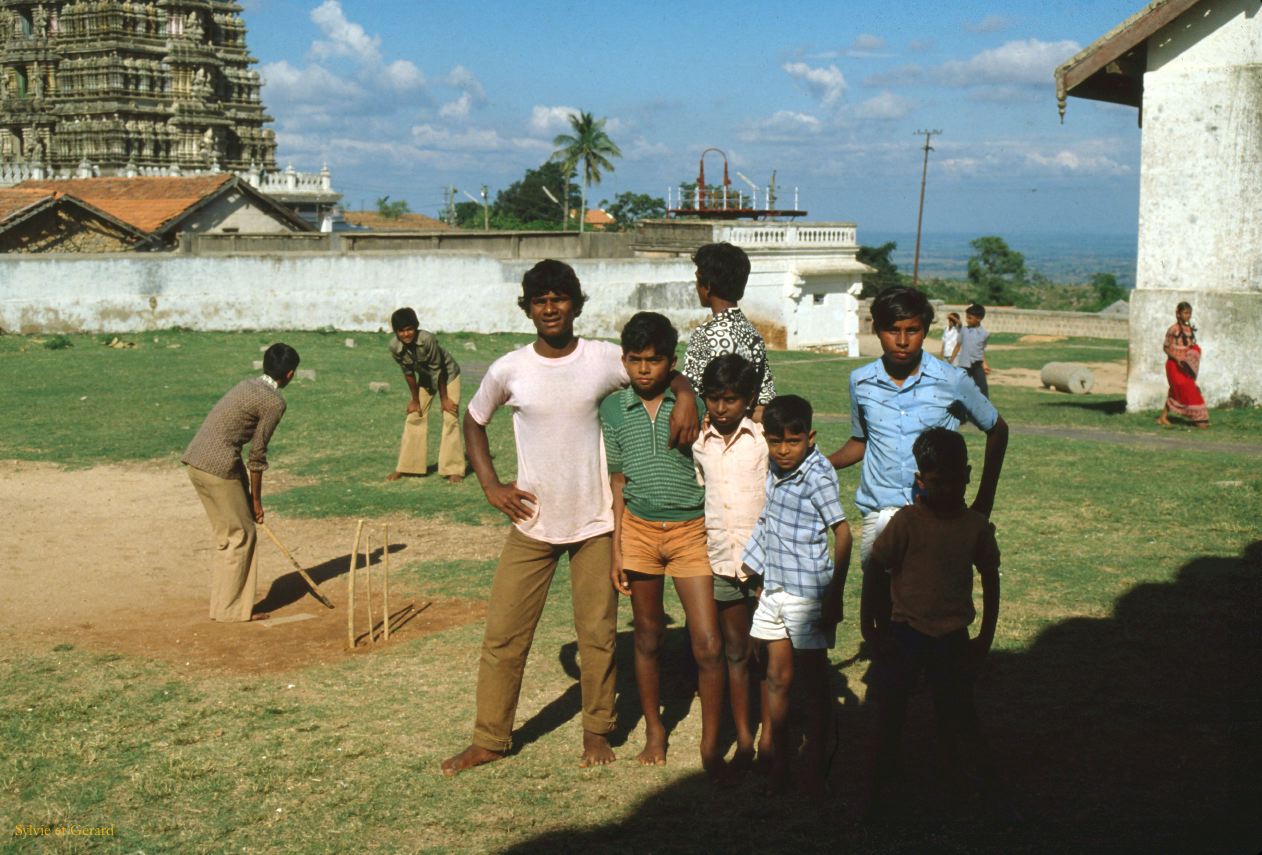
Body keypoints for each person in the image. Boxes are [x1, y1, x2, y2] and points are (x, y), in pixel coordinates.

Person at [442, 260, 700, 776]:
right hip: (532, 520)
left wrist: (688, 395)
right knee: (504, 634)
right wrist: (492, 485)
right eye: (540, 299)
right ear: (528, 309)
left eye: (560, 297)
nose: (551, 307)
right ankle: (490, 738)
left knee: (598, 634)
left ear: (576, 304)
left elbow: (664, 367)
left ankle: (596, 732)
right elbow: (473, 419)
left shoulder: (603, 358)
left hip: (596, 522)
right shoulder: (509, 368)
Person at [828, 287, 1006, 643]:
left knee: (934, 606)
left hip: (935, 517)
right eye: (893, 330)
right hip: (880, 514)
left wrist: (984, 500)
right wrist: (817, 463)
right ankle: (890, 668)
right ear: (876, 329)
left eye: (912, 330)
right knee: (882, 604)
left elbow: (996, 429)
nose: (903, 340)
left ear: (925, 330)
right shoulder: (861, 382)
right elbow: (860, 443)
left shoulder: (952, 380)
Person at [602, 312, 725, 775]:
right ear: (624, 361)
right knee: (648, 635)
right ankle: (655, 730)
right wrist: (617, 547)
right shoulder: (614, 409)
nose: (644, 370)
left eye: (654, 361)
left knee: (708, 643)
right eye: (635, 361)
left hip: (692, 530)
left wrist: (686, 391)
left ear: (671, 362)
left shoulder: (690, 404)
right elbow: (617, 480)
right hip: (637, 529)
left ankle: (713, 740)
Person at [861, 427, 1001, 818]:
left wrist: (984, 636)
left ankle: (956, 780)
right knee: (891, 711)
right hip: (905, 632)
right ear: (920, 480)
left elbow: (990, 578)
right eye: (936, 482)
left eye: (954, 482)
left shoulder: (974, 526)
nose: (945, 490)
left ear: (968, 476)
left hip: (952, 636)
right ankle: (879, 786)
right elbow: (876, 569)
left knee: (956, 712)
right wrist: (870, 626)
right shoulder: (906, 523)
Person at [742, 395, 851, 795]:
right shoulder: (774, 467)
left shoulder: (819, 476)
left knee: (812, 682)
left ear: (810, 437)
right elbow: (769, 519)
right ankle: (782, 762)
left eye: (793, 441)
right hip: (774, 588)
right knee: (776, 677)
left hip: (807, 595)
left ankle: (819, 758)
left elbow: (842, 532)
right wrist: (751, 568)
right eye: (775, 441)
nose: (784, 450)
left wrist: (833, 596)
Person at [182, 343, 300, 622]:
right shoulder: (274, 401)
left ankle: (223, 608)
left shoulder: (246, 385)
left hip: (196, 461)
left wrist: (248, 496)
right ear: (291, 374)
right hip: (218, 467)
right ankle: (231, 611)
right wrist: (256, 501)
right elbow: (257, 455)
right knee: (242, 535)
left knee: (229, 536)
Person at [691, 353, 767, 771]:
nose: (721, 408)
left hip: (766, 564)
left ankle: (774, 729)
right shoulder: (699, 444)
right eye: (714, 399)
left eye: (732, 399)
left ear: (749, 399)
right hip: (721, 561)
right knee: (735, 650)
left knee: (773, 653)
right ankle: (742, 736)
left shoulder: (763, 439)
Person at [681, 242, 776, 418]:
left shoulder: (706, 335)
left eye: (697, 278)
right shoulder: (753, 334)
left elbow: (689, 395)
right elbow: (765, 398)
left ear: (707, 285)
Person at [386, 307, 465, 483]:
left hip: (448, 375)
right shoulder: (394, 346)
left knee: (450, 415)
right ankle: (408, 467)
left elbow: (439, 370)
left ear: (416, 327)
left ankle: (453, 469)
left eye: (409, 329)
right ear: (396, 332)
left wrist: (444, 399)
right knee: (415, 414)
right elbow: (408, 373)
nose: (406, 334)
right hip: (426, 377)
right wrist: (415, 400)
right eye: (401, 331)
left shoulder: (427, 339)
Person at [1157, 301, 1209, 429]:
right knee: (1184, 387)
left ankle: (1162, 417)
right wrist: (1176, 358)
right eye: (1185, 313)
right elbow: (1166, 348)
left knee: (1176, 390)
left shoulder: (1189, 330)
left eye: (1189, 313)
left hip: (1185, 367)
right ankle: (1198, 416)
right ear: (1178, 314)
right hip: (1174, 365)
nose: (1188, 316)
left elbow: (1189, 347)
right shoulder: (1173, 329)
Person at [951, 304, 991, 398]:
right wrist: (951, 360)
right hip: (964, 365)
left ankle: (986, 410)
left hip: (977, 365)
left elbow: (981, 350)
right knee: (961, 388)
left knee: (983, 388)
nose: (967, 320)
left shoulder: (984, 334)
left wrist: (985, 364)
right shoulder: (964, 331)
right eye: (966, 317)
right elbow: (957, 346)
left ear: (979, 319)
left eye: (969, 318)